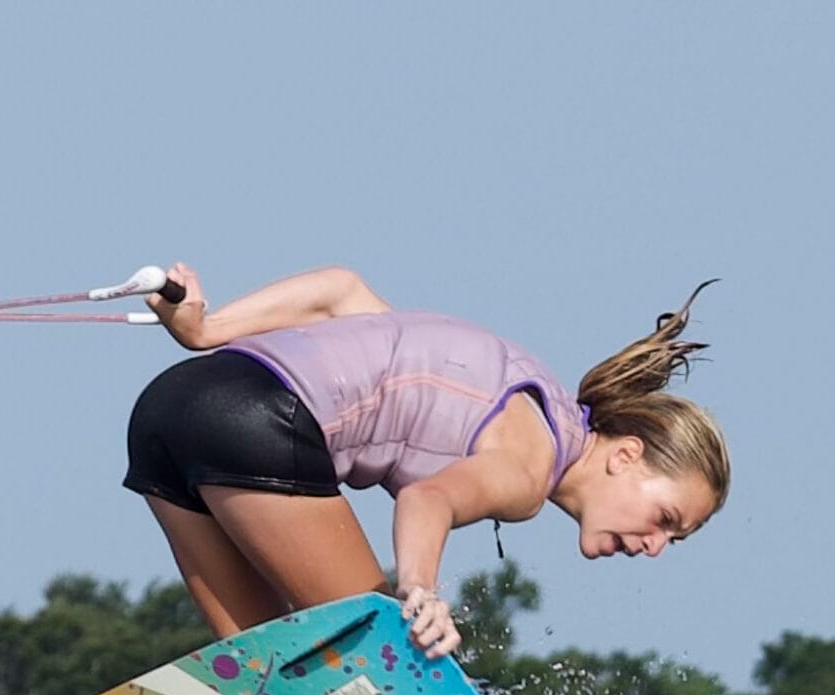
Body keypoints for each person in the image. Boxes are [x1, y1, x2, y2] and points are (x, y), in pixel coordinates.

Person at [125, 264, 729, 658]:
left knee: (272, 673)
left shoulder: (522, 386)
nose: (655, 545)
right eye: (668, 519)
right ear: (626, 455)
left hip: (169, 407)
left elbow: (342, 292)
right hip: (261, 422)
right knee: (387, 670)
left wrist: (209, 330)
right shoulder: (529, 465)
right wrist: (420, 593)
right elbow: (426, 498)